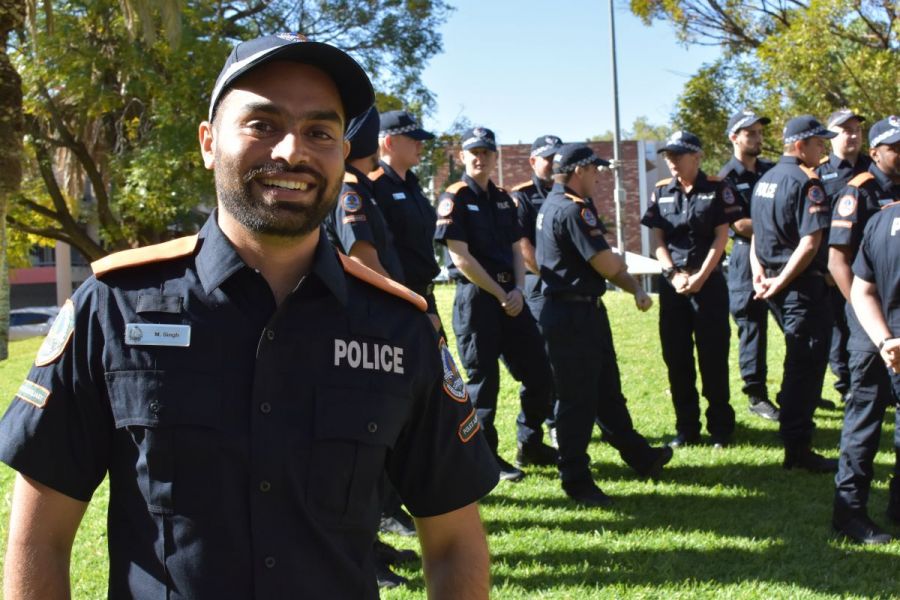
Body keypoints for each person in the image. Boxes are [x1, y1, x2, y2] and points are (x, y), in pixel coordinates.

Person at [0, 34, 499, 599]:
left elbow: (455, 540)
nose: (293, 151)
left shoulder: (398, 327)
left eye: (320, 132)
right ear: (209, 143)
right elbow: (40, 537)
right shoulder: (114, 306)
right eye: (262, 124)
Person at [536, 143, 673, 506]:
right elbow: (605, 263)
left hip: (578, 311)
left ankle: (641, 457)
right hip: (573, 315)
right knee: (577, 400)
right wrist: (632, 285)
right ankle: (576, 480)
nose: (598, 176)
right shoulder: (573, 209)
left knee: (606, 391)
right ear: (579, 171)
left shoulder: (551, 203)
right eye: (594, 170)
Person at [434, 126, 556, 481]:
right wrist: (502, 294)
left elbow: (518, 247)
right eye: (473, 151)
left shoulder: (504, 198)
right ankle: (485, 458)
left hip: (511, 298)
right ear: (462, 156)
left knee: (538, 371)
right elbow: (461, 258)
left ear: (495, 157)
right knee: (483, 382)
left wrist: (518, 288)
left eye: (486, 152)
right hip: (478, 299)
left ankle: (530, 442)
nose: (480, 157)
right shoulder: (453, 197)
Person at [749, 114, 838, 473]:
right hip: (798, 286)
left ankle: (795, 441)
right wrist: (781, 280)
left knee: (797, 361)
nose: (823, 149)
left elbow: (756, 234)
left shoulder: (765, 179)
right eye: (818, 143)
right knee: (806, 365)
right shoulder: (807, 182)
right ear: (800, 145)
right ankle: (798, 449)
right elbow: (810, 240)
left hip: (773, 283)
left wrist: (761, 275)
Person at [641, 131, 737, 449]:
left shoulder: (717, 189)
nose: (671, 162)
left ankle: (721, 429)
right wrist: (672, 274)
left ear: (696, 157)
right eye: (668, 157)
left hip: (708, 285)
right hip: (674, 288)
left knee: (713, 358)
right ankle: (687, 428)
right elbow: (657, 239)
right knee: (677, 359)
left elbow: (721, 238)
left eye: (677, 156)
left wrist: (700, 276)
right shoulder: (661, 192)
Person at [830, 115, 900, 544]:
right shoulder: (859, 191)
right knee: (866, 418)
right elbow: (839, 259)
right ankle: (849, 512)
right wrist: (860, 313)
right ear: (876, 152)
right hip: (870, 321)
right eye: (896, 147)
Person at [718, 110, 779, 421]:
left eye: (759, 132)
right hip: (744, 257)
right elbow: (739, 224)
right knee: (751, 324)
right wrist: (776, 224)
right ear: (734, 137)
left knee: (795, 322)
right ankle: (757, 395)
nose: (757, 138)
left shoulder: (772, 171)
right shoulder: (725, 178)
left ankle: (796, 389)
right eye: (750, 133)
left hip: (779, 255)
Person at [510, 134, 563, 451]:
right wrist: (549, 274)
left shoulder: (566, 192)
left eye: (558, 158)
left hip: (567, 288)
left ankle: (558, 419)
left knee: (565, 358)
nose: (554, 164)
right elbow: (522, 246)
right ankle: (546, 424)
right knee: (545, 361)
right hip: (539, 286)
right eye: (548, 158)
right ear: (533, 161)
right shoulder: (523, 197)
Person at [370, 110, 444, 333]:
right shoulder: (374, 186)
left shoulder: (413, 185)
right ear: (390, 142)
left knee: (440, 367)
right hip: (397, 298)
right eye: (414, 140)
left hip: (426, 296)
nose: (421, 146)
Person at [818, 109, 872, 406]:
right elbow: (819, 225)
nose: (852, 135)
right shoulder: (821, 173)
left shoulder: (874, 166)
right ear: (831, 137)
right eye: (845, 130)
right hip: (837, 265)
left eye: (856, 130)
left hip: (874, 264)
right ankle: (846, 384)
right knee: (839, 328)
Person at [325, 105, 404, 280]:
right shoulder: (349, 189)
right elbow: (363, 261)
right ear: (369, 143)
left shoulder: (361, 186)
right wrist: (401, 301)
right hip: (371, 303)